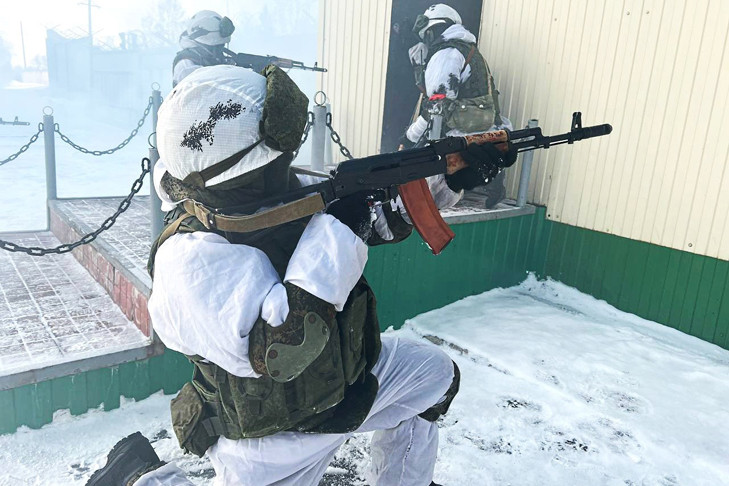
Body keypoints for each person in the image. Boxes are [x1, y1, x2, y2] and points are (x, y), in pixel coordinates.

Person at [87, 64, 515, 486]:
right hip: (273, 434)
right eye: (276, 161)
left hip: (346, 381)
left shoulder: (259, 194)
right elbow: (282, 350)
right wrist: (340, 229)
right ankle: (136, 476)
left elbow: (373, 219)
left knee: (434, 377)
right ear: (239, 172)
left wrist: (450, 177)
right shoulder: (188, 262)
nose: (288, 167)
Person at [403, 3, 513, 209]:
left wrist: (411, 136)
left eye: (428, 34)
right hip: (482, 130)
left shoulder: (447, 53)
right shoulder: (470, 51)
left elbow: (437, 107)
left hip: (459, 134)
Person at [172, 10, 236, 87]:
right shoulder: (186, 65)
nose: (219, 52)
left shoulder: (215, 59)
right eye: (215, 47)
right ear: (202, 43)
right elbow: (212, 87)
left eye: (221, 46)